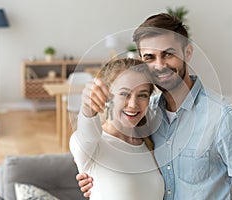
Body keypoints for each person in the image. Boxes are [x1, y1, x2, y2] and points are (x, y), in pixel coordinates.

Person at [76, 13, 232, 199]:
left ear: (188, 53)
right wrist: (97, 177)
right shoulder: (147, 113)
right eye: (149, 57)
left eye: (168, 54)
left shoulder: (224, 118)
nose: (159, 65)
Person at [69, 58, 165, 200]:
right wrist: (88, 106)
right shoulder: (93, 146)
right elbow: (86, 131)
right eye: (124, 94)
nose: (133, 104)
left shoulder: (151, 142)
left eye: (142, 95)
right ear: (107, 97)